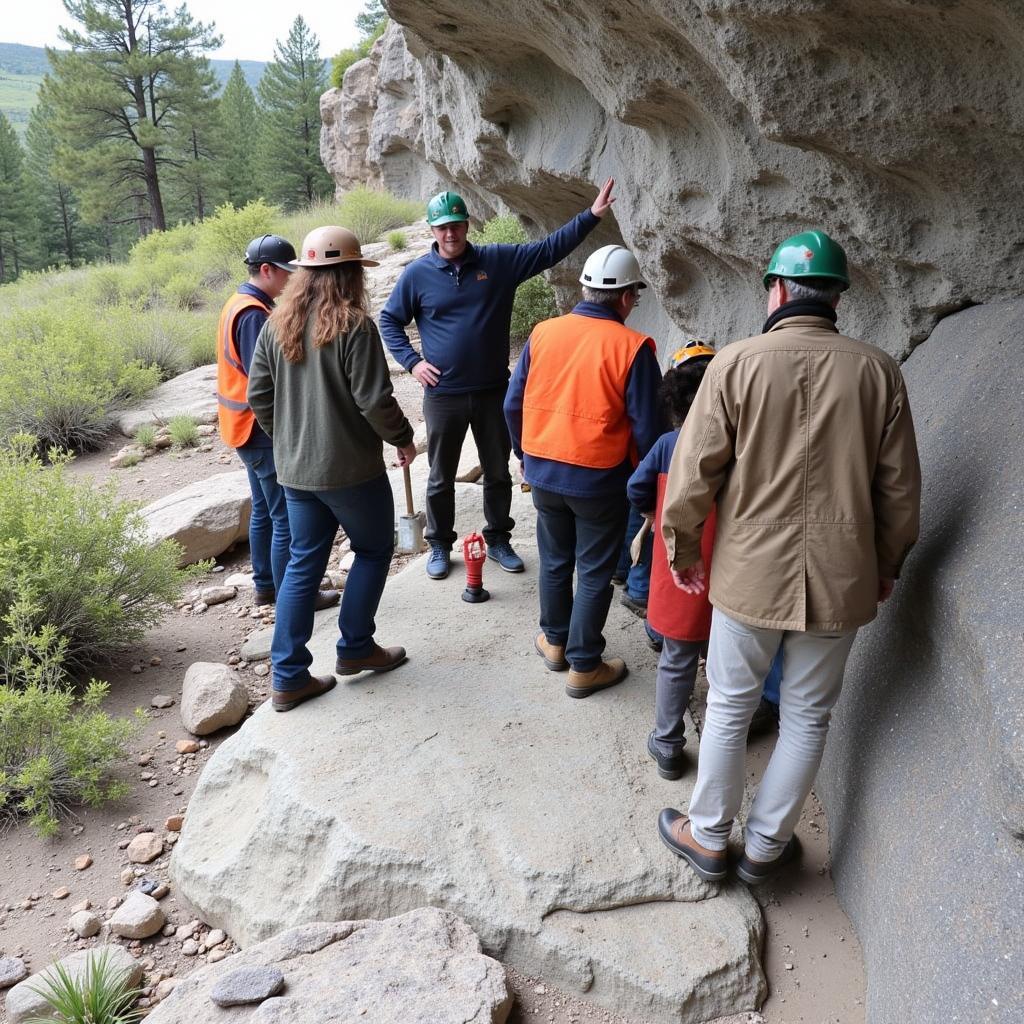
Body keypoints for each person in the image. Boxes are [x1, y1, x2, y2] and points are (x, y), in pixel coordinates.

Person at [657, 231, 921, 884]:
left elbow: (693, 477)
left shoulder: (735, 364)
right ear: (836, 297)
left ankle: (710, 836)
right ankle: (767, 849)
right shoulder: (877, 370)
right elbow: (900, 489)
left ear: (775, 289)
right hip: (841, 577)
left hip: (749, 575)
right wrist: (887, 563)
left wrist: (682, 548)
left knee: (728, 705)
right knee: (808, 715)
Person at [379, 180, 617, 581]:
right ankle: (439, 544)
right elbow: (389, 320)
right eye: (442, 227)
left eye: (456, 225)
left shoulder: (498, 262)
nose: (450, 233)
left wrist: (590, 217)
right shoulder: (416, 275)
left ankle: (499, 539)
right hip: (443, 395)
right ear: (432, 231)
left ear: (467, 225)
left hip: (493, 391)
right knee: (439, 477)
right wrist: (412, 362)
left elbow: (548, 250)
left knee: (499, 471)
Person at [247, 226, 417, 713]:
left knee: (303, 563)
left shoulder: (276, 323)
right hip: (351, 471)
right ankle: (356, 647)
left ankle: (288, 677)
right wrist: (403, 439)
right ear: (348, 273)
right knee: (372, 548)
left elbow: (259, 396)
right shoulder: (355, 325)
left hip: (295, 471)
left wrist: (290, 440)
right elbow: (374, 399)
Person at [504, 245, 661, 698]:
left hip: (544, 473)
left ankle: (555, 642)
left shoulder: (544, 333)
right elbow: (648, 429)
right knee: (593, 570)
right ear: (629, 297)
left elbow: (513, 403)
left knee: (555, 560)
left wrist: (525, 454)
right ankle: (584, 664)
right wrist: (649, 488)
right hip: (598, 479)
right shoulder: (632, 348)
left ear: (586, 289)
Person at [627, 341, 784, 780]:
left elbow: (637, 488)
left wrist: (652, 513)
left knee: (676, 658)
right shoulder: (745, 445)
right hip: (736, 564)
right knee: (729, 658)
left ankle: (668, 743)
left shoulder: (666, 445)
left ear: (673, 398)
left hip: (683, 563)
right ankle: (729, 734)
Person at [216, 234, 339, 612]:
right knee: (285, 513)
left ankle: (266, 586)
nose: (291, 281)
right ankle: (294, 596)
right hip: (259, 430)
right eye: (286, 273)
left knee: (264, 509)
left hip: (242, 428)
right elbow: (266, 380)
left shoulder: (238, 304)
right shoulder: (253, 315)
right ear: (266, 270)